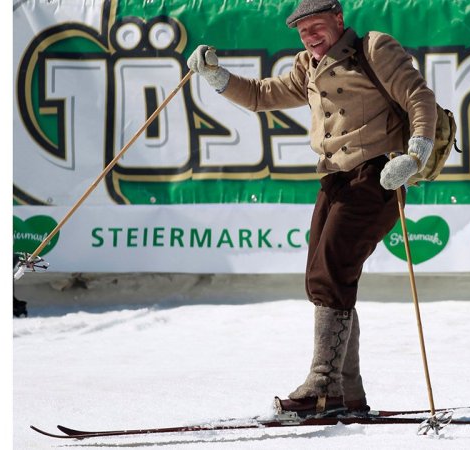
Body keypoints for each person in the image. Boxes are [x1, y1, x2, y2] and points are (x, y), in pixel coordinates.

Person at [187, 0, 437, 416]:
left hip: (377, 175)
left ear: (338, 19)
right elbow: (261, 95)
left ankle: (324, 387)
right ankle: (349, 395)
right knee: (324, 278)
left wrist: (415, 154)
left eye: (316, 26)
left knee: (331, 273)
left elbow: (418, 96)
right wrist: (216, 76)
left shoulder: (374, 48)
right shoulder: (307, 65)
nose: (310, 37)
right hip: (335, 179)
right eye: (303, 31)